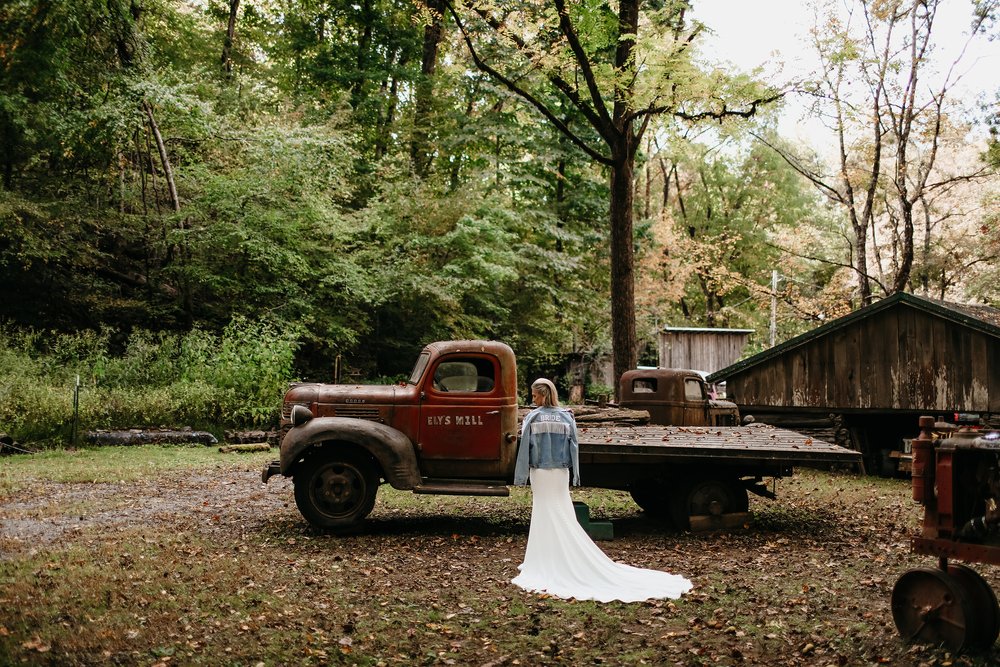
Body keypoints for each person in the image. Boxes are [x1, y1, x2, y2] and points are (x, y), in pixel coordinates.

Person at [511, 378, 692, 602]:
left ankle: (545, 559)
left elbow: (524, 449)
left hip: (540, 472)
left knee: (543, 512)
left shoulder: (533, 417)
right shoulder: (567, 416)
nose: (533, 399)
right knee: (561, 510)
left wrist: (520, 477)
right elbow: (574, 448)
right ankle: (561, 556)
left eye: (535, 395)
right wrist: (575, 474)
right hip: (560, 473)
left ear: (543, 395)